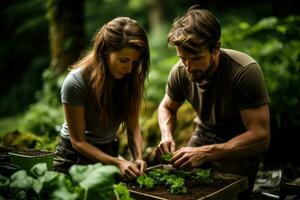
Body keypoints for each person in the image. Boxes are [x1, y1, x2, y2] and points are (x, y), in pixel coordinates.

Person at [155, 5, 270, 199]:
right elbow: (166, 106)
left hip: (238, 149)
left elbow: (260, 137)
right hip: (202, 136)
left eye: (196, 58)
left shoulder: (244, 72)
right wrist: (166, 136)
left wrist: (206, 153)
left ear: (216, 48)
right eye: (183, 59)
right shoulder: (180, 70)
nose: (189, 67)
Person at [53, 17, 150, 181]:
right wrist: (118, 162)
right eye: (124, 60)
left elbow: (133, 128)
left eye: (135, 62)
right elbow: (78, 142)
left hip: (108, 153)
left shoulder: (131, 78)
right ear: (105, 51)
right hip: (72, 157)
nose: (129, 69)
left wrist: (138, 157)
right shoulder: (75, 82)